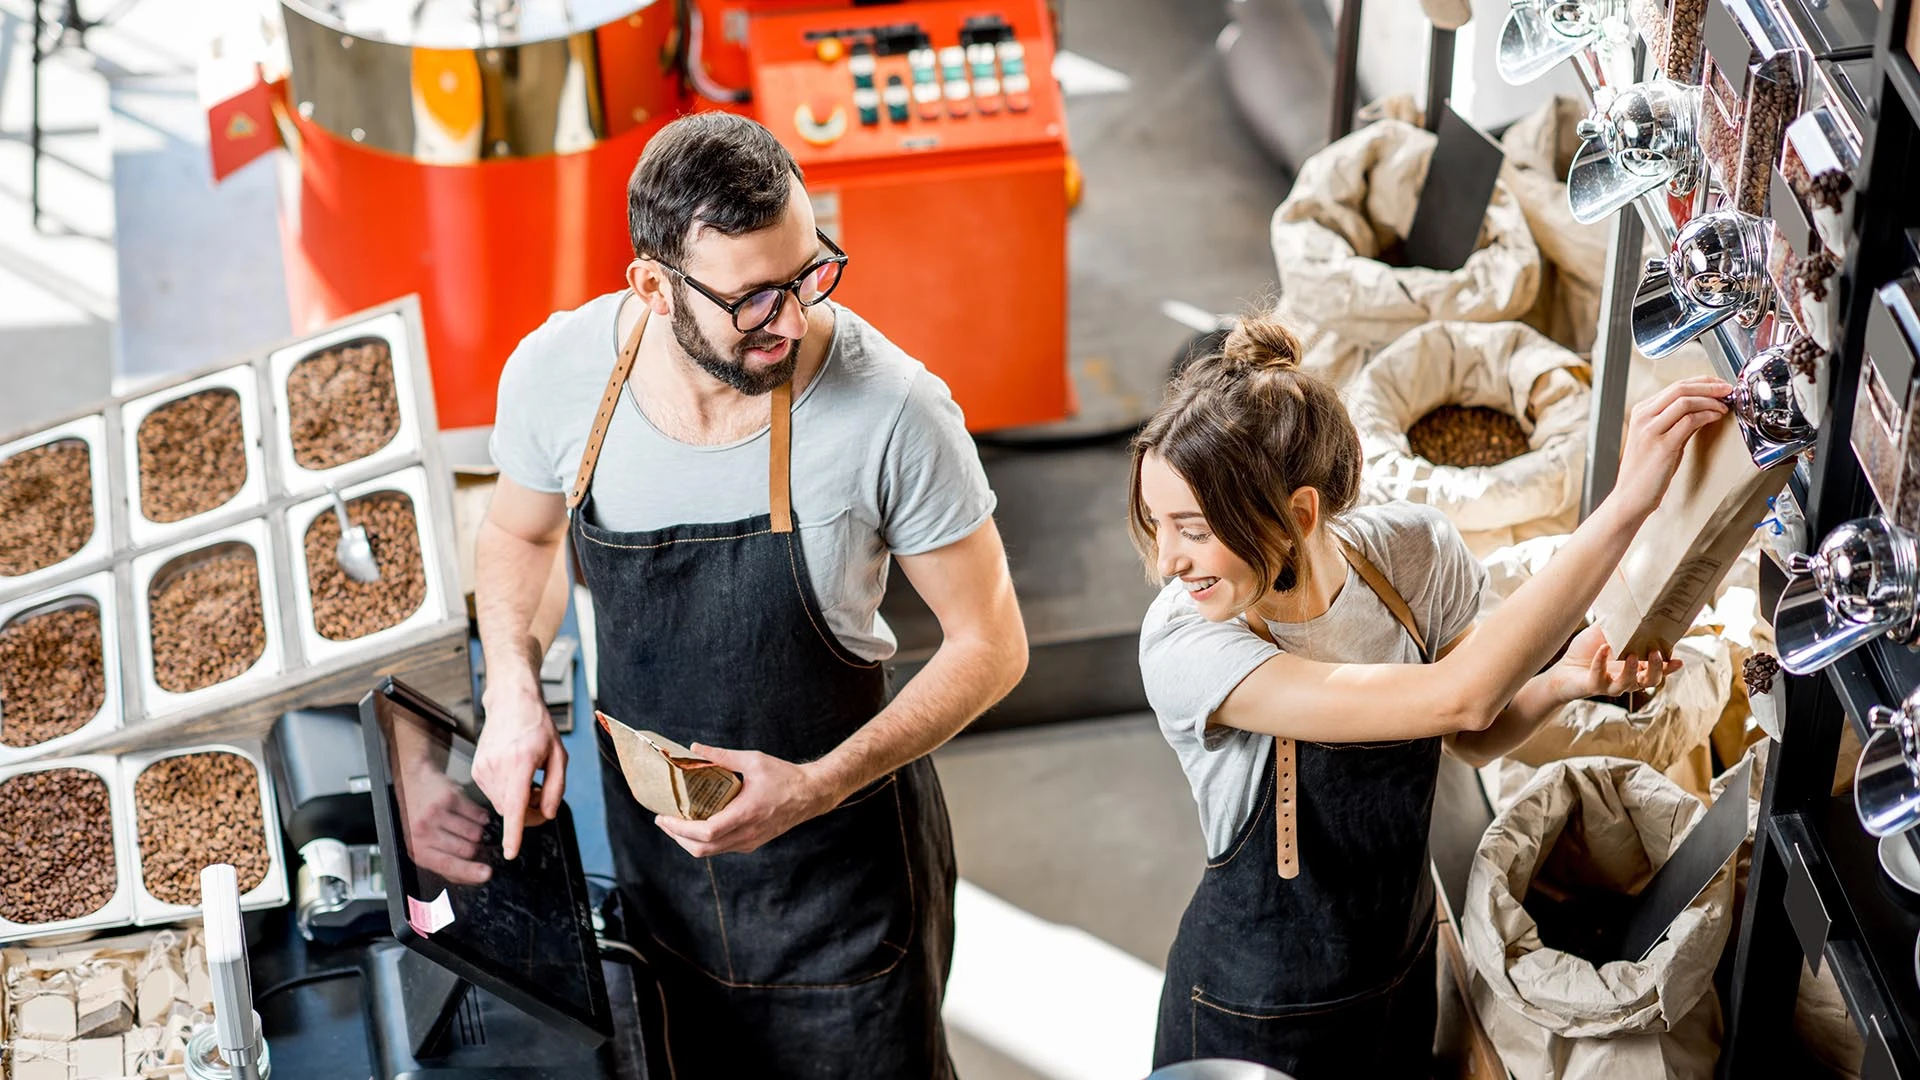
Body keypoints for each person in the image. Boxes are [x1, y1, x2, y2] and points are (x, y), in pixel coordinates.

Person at [471, 112, 1028, 1077]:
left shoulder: (894, 411)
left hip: (840, 899)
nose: (795, 318)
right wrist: (514, 694)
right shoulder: (558, 378)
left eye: (810, 274)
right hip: (661, 877)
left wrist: (814, 786)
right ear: (652, 285)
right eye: (754, 298)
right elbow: (520, 536)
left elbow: (991, 644)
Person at [1131, 313, 1730, 1077]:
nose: (1168, 560)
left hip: (1402, 966)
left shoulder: (1414, 556)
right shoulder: (1188, 644)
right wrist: (1625, 506)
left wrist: (1563, 683)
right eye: (1157, 526)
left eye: (1192, 528)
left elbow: (1471, 738)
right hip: (1258, 1009)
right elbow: (1461, 698)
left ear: (1299, 515)